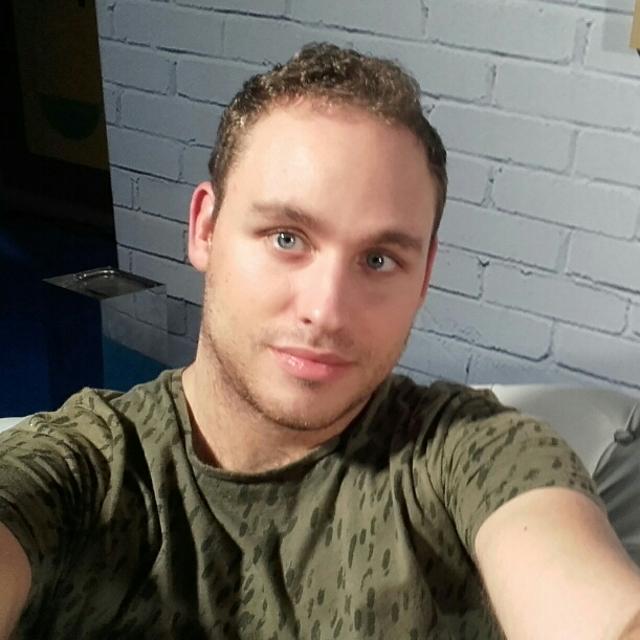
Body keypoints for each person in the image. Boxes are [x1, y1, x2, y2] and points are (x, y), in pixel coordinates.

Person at [1, 43, 639, 640]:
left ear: (423, 277)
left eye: (379, 260)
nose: (327, 311)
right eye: (286, 238)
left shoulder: (476, 454)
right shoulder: (85, 469)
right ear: (205, 229)